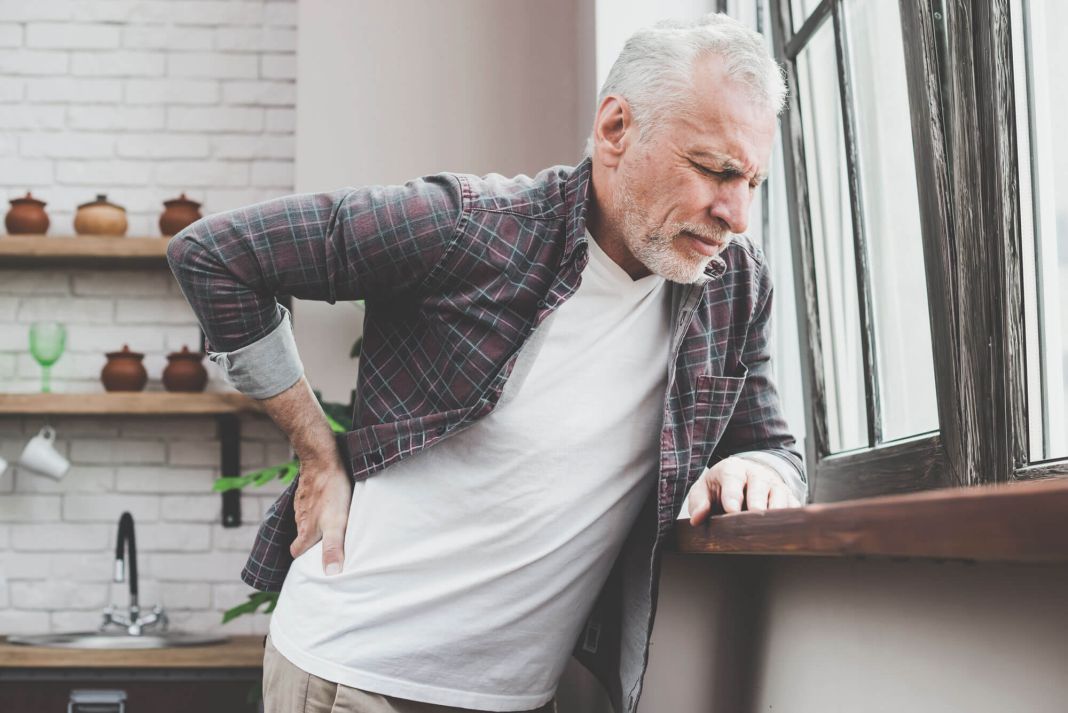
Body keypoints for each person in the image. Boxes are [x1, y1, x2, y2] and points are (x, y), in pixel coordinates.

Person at [167, 12, 805, 713]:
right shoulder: (471, 224)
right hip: (353, 676)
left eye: (753, 181)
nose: (737, 213)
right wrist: (316, 448)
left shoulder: (733, 282)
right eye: (715, 170)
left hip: (519, 698)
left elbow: (771, 444)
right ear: (617, 130)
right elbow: (215, 256)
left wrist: (758, 467)